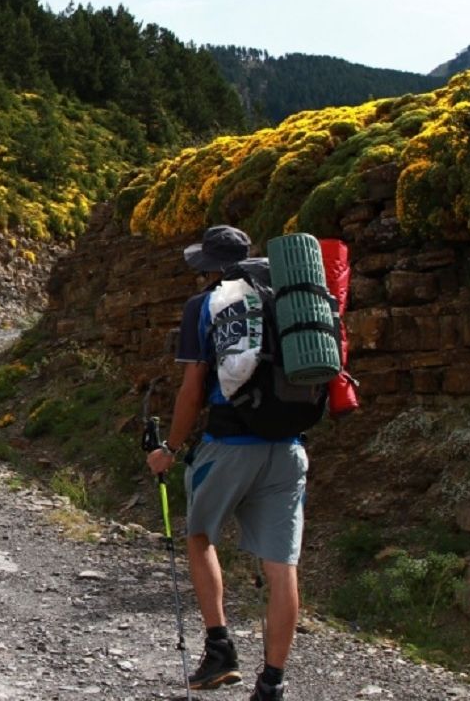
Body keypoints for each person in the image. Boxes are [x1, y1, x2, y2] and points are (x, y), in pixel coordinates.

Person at [145, 225, 307, 701]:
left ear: (211, 267)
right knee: (282, 568)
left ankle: (220, 650)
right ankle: (272, 683)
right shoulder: (288, 300)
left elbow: (193, 388)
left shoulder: (208, 304)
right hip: (290, 447)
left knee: (199, 537)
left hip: (230, 442)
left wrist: (170, 450)